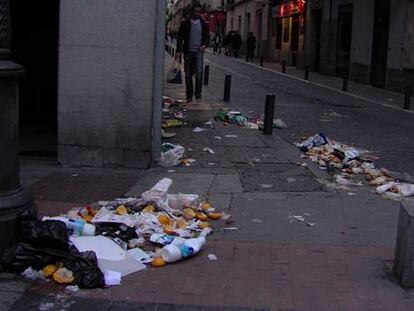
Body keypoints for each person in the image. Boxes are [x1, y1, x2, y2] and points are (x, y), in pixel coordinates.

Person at [176, 4, 210, 102]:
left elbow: (207, 37)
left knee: (199, 73)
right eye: (196, 11)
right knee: (188, 74)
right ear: (192, 12)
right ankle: (189, 95)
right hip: (188, 52)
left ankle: (198, 95)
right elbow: (180, 37)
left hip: (199, 52)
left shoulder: (203, 24)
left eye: (199, 11)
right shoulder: (185, 23)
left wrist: (204, 45)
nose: (197, 13)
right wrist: (178, 50)